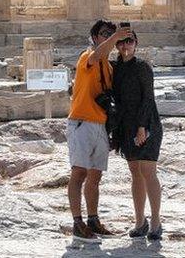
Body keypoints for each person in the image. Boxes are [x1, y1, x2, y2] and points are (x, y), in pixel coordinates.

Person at [66, 19, 133, 242]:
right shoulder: (88, 57)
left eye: (111, 35)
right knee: (79, 173)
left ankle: (93, 220)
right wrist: (115, 38)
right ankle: (77, 222)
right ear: (95, 37)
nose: (109, 37)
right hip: (82, 122)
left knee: (95, 176)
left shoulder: (109, 66)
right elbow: (96, 56)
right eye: (104, 34)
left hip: (101, 124)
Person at [112, 31, 164, 241]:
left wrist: (142, 126)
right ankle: (140, 221)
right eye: (122, 43)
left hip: (146, 123)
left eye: (130, 42)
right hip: (126, 125)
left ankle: (156, 221)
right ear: (116, 45)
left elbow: (148, 98)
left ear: (136, 44)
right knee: (135, 172)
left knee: (148, 170)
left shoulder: (142, 66)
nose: (126, 46)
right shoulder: (115, 69)